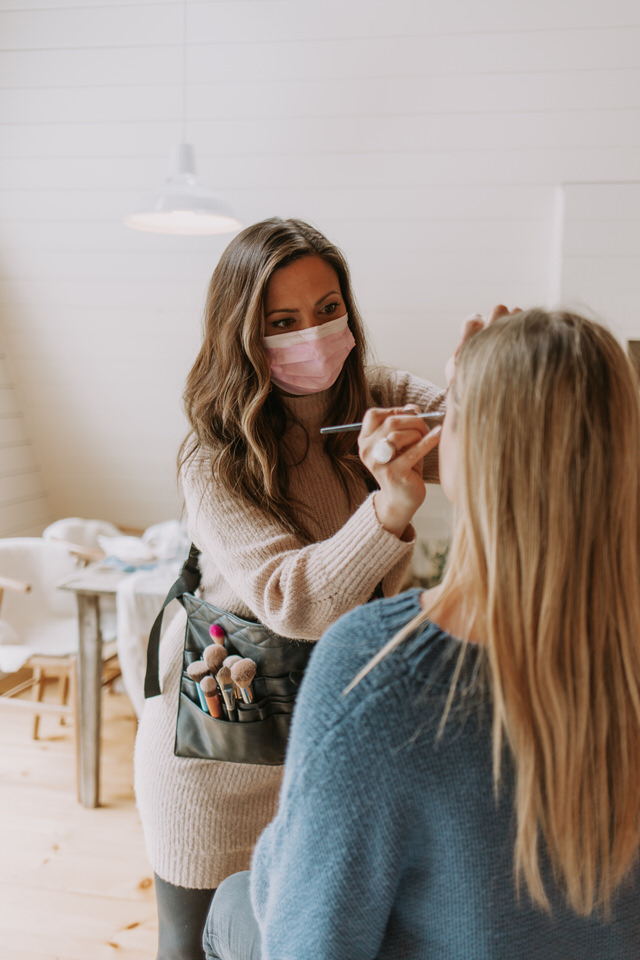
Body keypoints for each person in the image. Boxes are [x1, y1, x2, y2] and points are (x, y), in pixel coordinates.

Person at [203, 309, 640, 960]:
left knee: (233, 902)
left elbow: (309, 941)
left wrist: (288, 842)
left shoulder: (377, 670)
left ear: (459, 444)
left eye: (451, 411)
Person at [134, 217, 455, 959]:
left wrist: (485, 374)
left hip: (332, 750)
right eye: (283, 322)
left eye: (328, 308)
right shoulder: (215, 459)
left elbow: (486, 437)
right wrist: (389, 506)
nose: (313, 334)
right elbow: (291, 598)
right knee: (193, 945)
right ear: (243, 332)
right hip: (217, 755)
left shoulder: (383, 398)